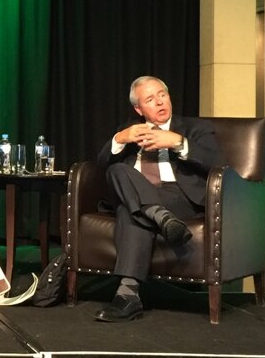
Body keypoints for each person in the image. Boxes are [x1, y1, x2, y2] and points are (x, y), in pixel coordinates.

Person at [94, 75, 224, 322]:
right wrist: (120, 139)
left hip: (179, 198)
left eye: (162, 95)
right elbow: (101, 163)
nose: (160, 103)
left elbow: (218, 163)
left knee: (129, 209)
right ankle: (157, 214)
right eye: (150, 99)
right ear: (138, 108)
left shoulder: (195, 128)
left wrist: (178, 142)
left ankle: (127, 296)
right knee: (117, 171)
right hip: (142, 197)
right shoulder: (132, 132)